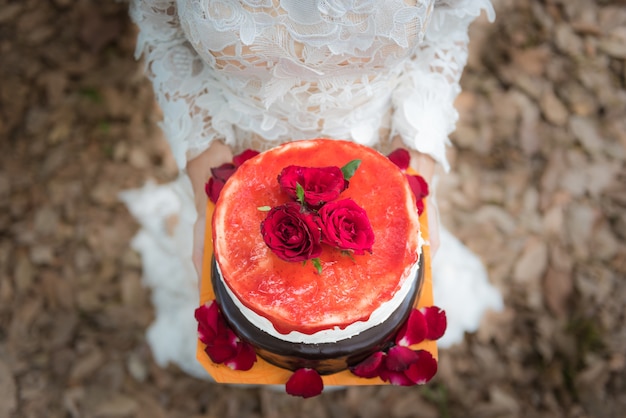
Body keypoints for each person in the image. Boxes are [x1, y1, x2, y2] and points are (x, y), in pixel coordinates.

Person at [121, 0, 503, 379]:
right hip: (242, 175)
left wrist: (419, 170)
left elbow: (447, 23)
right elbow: (165, 33)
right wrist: (210, 183)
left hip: (378, 176)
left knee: (380, 296)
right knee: (242, 300)